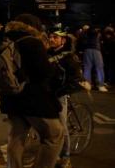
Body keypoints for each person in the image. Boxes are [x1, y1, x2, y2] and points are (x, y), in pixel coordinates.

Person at [0, 14, 63, 168]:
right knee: (54, 134)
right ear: (33, 27)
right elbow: (44, 72)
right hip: (33, 99)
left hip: (11, 97)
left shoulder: (6, 41)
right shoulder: (32, 42)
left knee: (16, 136)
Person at [48, 28, 84, 168]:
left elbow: (76, 79)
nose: (51, 39)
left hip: (59, 96)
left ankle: (66, 156)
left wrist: (60, 92)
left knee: (62, 127)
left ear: (63, 40)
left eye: (55, 37)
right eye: (51, 36)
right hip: (48, 95)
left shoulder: (69, 57)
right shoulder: (47, 53)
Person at [81, 26, 108, 92]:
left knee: (88, 67)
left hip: (88, 49)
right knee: (99, 67)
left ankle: (88, 84)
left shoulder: (85, 33)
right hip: (95, 49)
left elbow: (82, 41)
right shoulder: (95, 32)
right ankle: (100, 85)